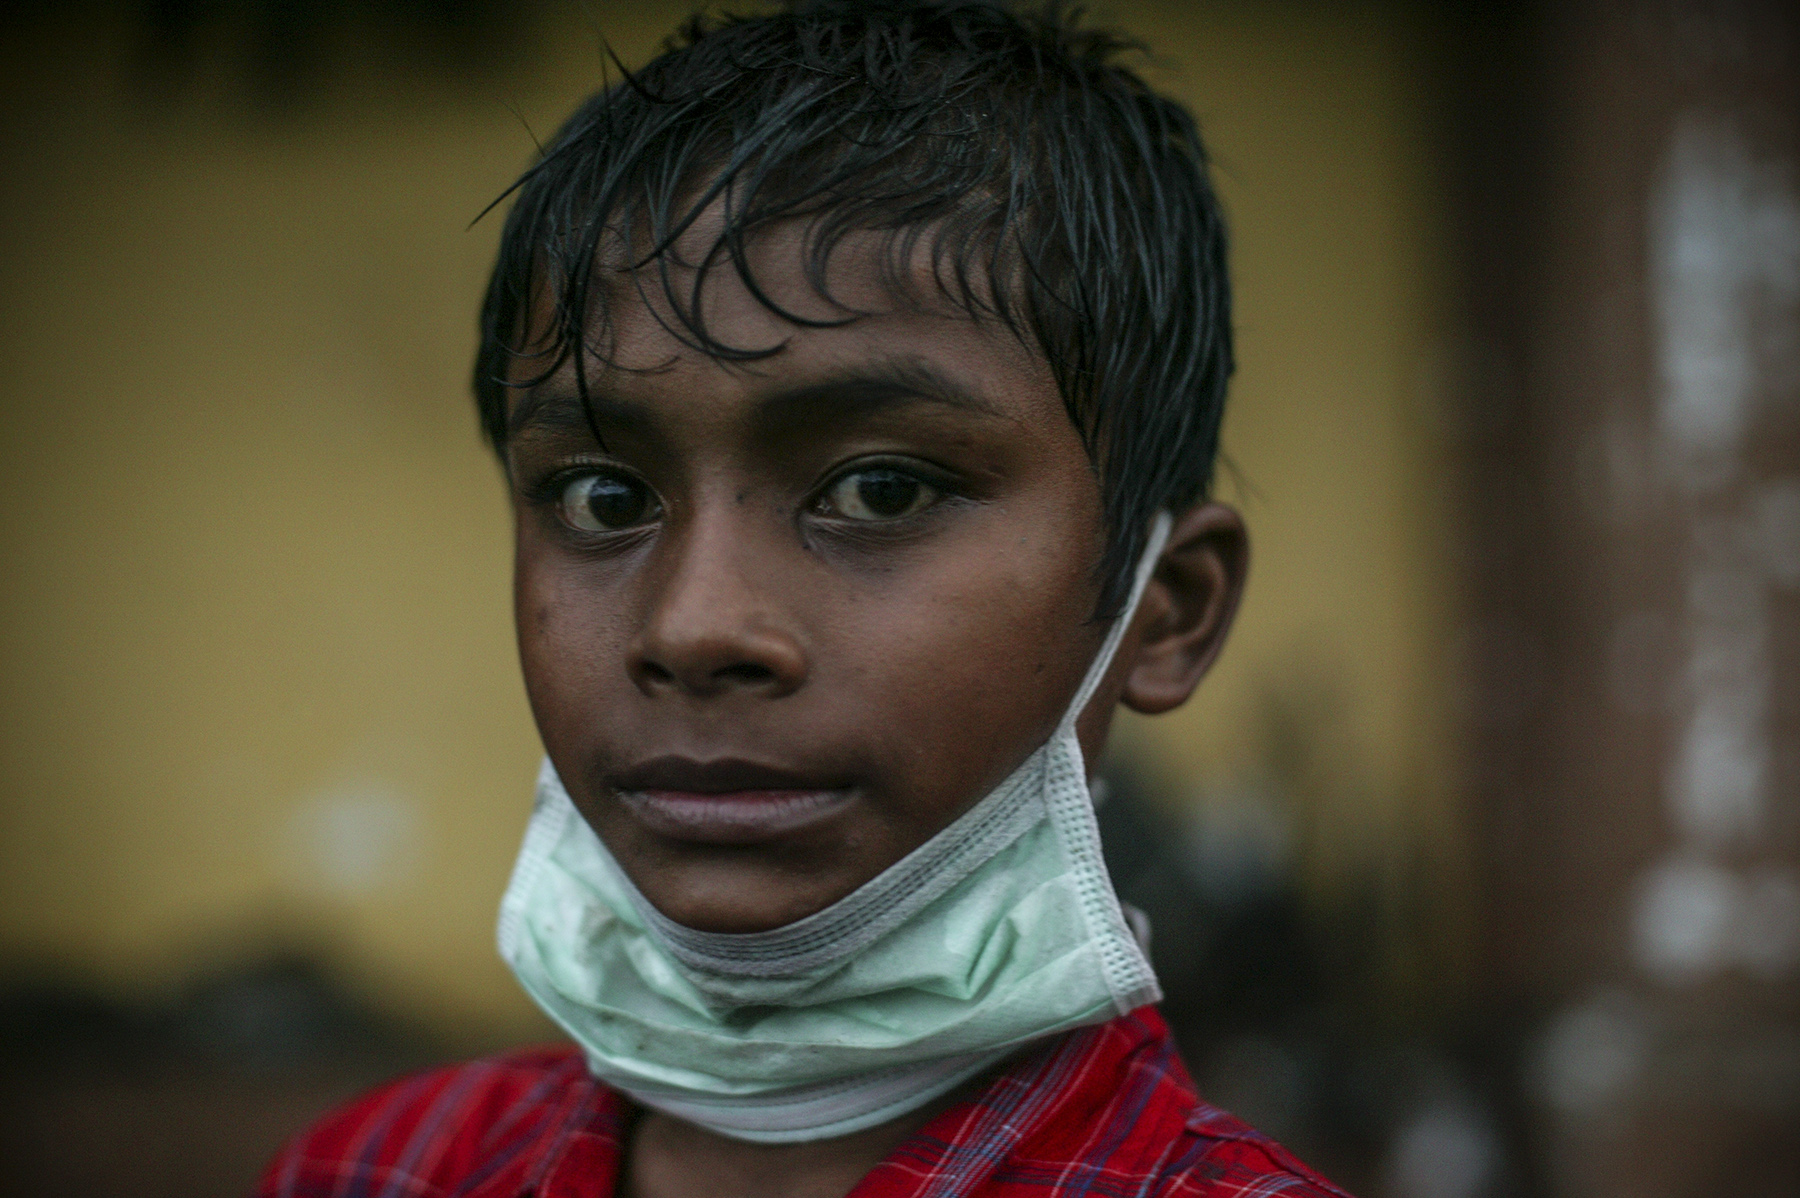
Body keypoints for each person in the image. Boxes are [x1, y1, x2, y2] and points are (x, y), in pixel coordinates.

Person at [258, 2, 1350, 1195]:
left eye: (880, 491)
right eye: (603, 499)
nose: (695, 627)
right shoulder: (376, 1171)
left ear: (1167, 610)